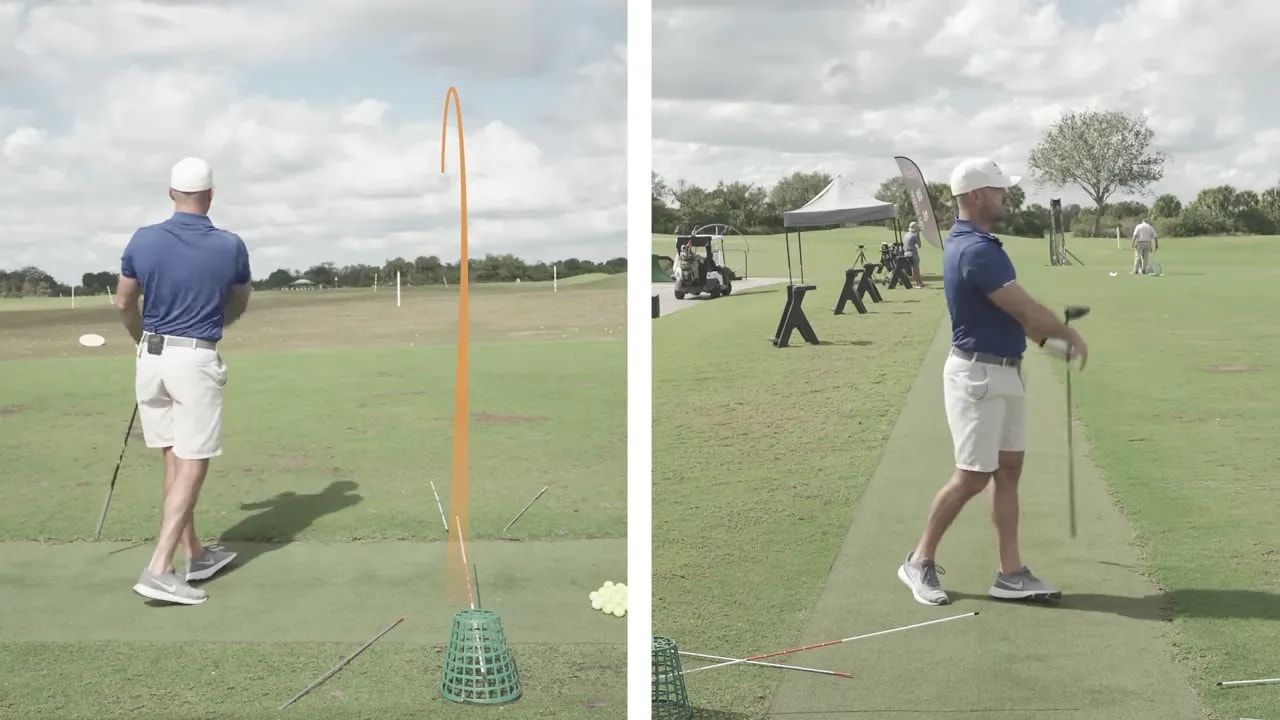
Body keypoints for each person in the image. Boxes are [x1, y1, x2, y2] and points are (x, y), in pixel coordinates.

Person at [896, 157, 1089, 606]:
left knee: (1007, 470)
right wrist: (1066, 332)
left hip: (1002, 370)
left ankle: (1010, 573)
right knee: (972, 477)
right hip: (977, 377)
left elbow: (1009, 316)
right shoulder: (975, 250)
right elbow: (1024, 309)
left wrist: (1047, 343)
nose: (1008, 195)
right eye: (1001, 189)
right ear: (978, 195)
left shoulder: (979, 244)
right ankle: (918, 560)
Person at [113, 157, 253, 606]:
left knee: (175, 457)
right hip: (194, 359)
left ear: (170, 193)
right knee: (194, 461)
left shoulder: (143, 238)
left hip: (149, 358)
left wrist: (143, 340)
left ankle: (194, 553)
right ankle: (158, 568)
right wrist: (212, 328)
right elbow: (238, 302)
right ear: (211, 195)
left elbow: (123, 303)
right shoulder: (229, 245)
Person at [902, 221, 924, 286]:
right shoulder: (915, 235)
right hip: (912, 253)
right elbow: (919, 245)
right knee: (916, 268)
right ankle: (919, 282)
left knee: (913, 268)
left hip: (906, 253)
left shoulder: (906, 234)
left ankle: (918, 282)